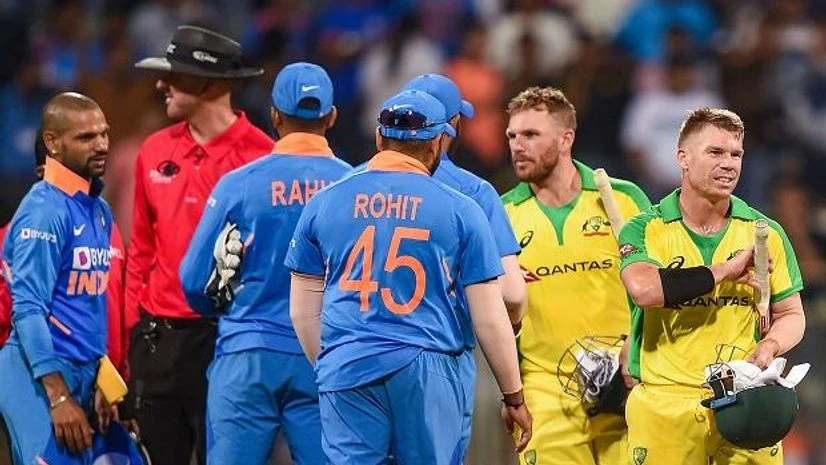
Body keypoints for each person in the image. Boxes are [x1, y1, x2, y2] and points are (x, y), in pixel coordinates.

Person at [285, 89, 532, 465]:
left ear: (379, 138)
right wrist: (513, 396)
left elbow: (302, 312)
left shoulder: (324, 202)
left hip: (348, 361)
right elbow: (489, 317)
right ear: (437, 144)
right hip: (428, 366)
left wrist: (332, 363)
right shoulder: (462, 209)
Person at [179, 62, 351, 465]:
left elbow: (192, 280)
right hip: (325, 356)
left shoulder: (238, 184)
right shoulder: (354, 187)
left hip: (247, 355)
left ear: (274, 116)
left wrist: (223, 309)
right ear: (331, 117)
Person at [618, 107, 806, 464]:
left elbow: (791, 314)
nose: (728, 164)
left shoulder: (765, 232)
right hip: (664, 406)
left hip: (744, 400)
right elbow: (644, 290)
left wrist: (770, 346)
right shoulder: (644, 228)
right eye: (715, 152)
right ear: (683, 158)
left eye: (736, 154)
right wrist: (724, 271)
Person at [126, 25, 273, 465]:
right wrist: (130, 340)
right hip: (158, 344)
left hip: (227, 343)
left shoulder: (263, 159)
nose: (160, 85)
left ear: (207, 83)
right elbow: (140, 252)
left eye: (173, 75)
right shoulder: (153, 150)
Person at [501, 86, 651, 465]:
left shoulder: (623, 199)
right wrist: (510, 390)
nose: (518, 145)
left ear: (566, 138)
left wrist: (635, 349)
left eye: (531, 134)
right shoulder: (501, 216)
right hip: (544, 391)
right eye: (512, 136)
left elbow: (657, 286)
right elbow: (496, 314)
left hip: (625, 381)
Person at [400, 73, 526, 462]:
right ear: (452, 124)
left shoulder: (354, 184)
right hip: (444, 353)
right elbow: (512, 293)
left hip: (364, 354)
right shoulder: (473, 192)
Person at [0, 92, 116, 464]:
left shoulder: (100, 210)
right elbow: (28, 310)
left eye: (104, 133)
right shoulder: (44, 211)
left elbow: (90, 303)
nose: (101, 145)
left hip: (81, 373)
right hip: (38, 375)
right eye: (86, 137)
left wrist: (103, 375)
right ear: (52, 142)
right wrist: (58, 394)